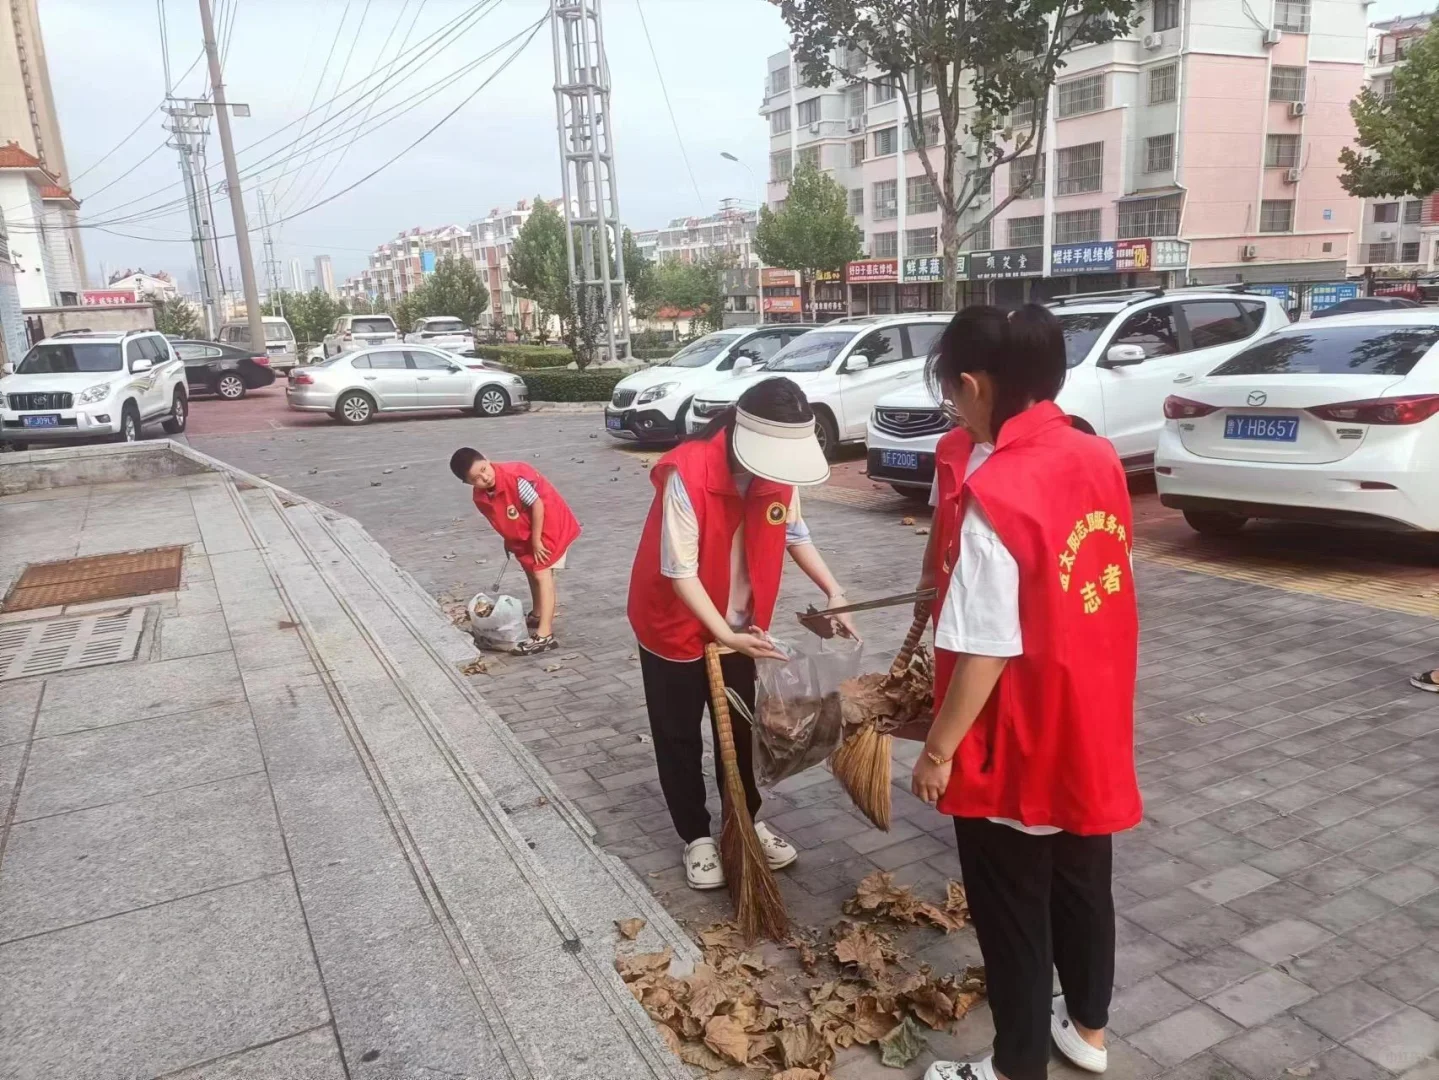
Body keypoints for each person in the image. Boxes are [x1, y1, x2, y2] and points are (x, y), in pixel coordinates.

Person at [911, 306, 1142, 1080]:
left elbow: (984, 646)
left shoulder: (1000, 487)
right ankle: (1088, 1032)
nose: (954, 408)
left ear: (973, 385)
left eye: (951, 392)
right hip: (1088, 712)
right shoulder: (1094, 453)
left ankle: (1013, 1067)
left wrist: (937, 751)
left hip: (1020, 729)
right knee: (1081, 879)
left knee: (1011, 906)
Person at [627, 377, 858, 890]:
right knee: (678, 732)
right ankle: (695, 835)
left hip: (739, 623)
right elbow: (679, 570)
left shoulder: (780, 471)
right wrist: (724, 636)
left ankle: (746, 820)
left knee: (741, 727)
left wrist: (834, 590)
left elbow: (795, 533)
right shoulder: (687, 471)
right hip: (672, 621)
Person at [450, 446, 581, 655]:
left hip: (548, 523)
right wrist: (509, 539)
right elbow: (500, 517)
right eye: (476, 479)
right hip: (525, 530)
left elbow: (537, 505)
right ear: (468, 483)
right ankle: (538, 613)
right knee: (529, 567)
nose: (485, 478)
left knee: (542, 572)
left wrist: (536, 541)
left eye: (484, 469)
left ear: (487, 459)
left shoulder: (514, 476)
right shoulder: (480, 497)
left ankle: (545, 634)